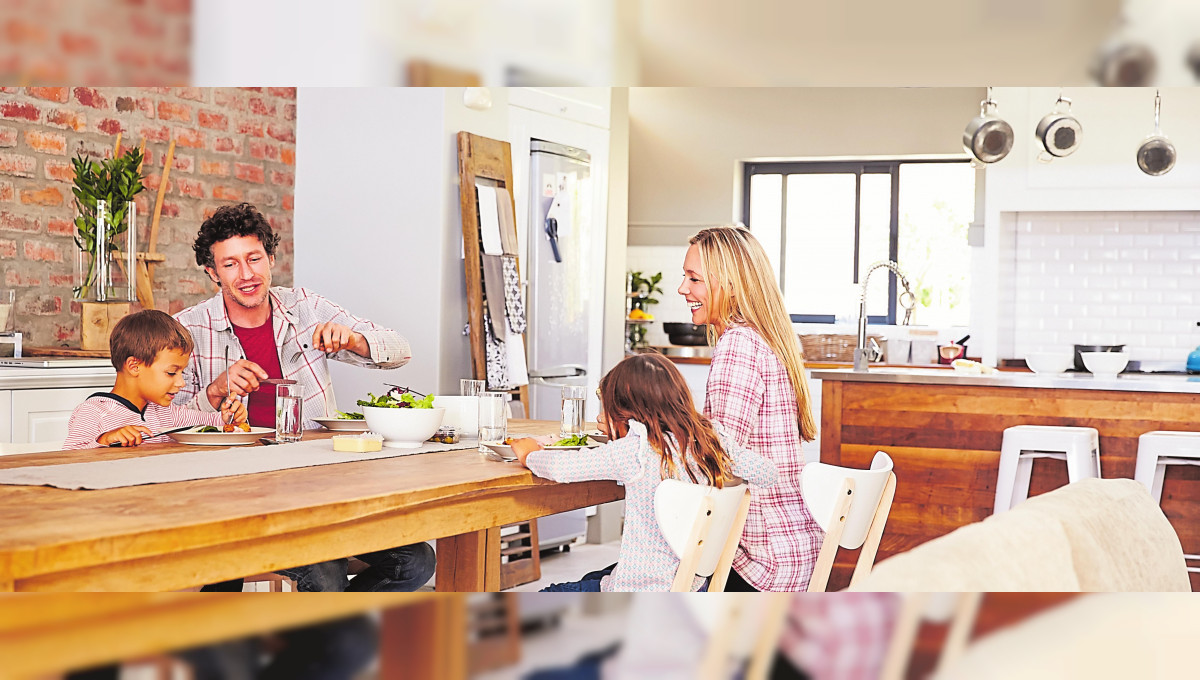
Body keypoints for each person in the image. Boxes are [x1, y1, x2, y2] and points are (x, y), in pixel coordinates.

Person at [173, 202, 434, 593]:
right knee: (325, 575)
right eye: (230, 265)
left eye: (254, 258)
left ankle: (334, 646)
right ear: (212, 272)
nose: (246, 275)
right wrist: (213, 392)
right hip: (231, 496)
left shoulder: (306, 308)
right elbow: (164, 421)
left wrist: (355, 340)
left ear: (271, 257)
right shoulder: (188, 328)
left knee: (415, 560)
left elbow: (400, 349)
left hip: (316, 487)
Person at [510, 352, 777, 592]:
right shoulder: (712, 437)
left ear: (629, 412)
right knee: (595, 575)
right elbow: (767, 473)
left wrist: (530, 453)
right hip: (691, 585)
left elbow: (561, 467)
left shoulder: (636, 450)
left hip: (639, 589)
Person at [678, 225, 823, 592]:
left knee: (602, 585)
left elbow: (719, 460)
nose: (683, 289)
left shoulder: (738, 345)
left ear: (728, 284)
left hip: (756, 561)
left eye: (693, 278)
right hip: (792, 551)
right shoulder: (766, 339)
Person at [62, 309, 246, 450]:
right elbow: (69, 459)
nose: (181, 383)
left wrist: (230, 417)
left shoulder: (168, 413)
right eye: (171, 373)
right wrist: (104, 440)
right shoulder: (93, 412)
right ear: (134, 366)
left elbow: (213, 424)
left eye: (182, 373)